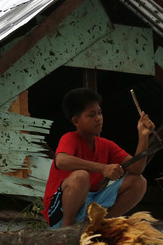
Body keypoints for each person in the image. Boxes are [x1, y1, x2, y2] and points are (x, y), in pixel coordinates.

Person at [42, 87, 155, 228]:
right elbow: (61, 161)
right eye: (91, 115)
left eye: (100, 113)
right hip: (59, 211)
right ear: (76, 121)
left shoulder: (107, 145)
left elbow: (136, 168)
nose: (98, 118)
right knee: (81, 176)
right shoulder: (69, 138)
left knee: (139, 182)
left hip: (90, 204)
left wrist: (143, 136)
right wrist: (103, 168)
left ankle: (98, 226)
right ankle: (66, 231)